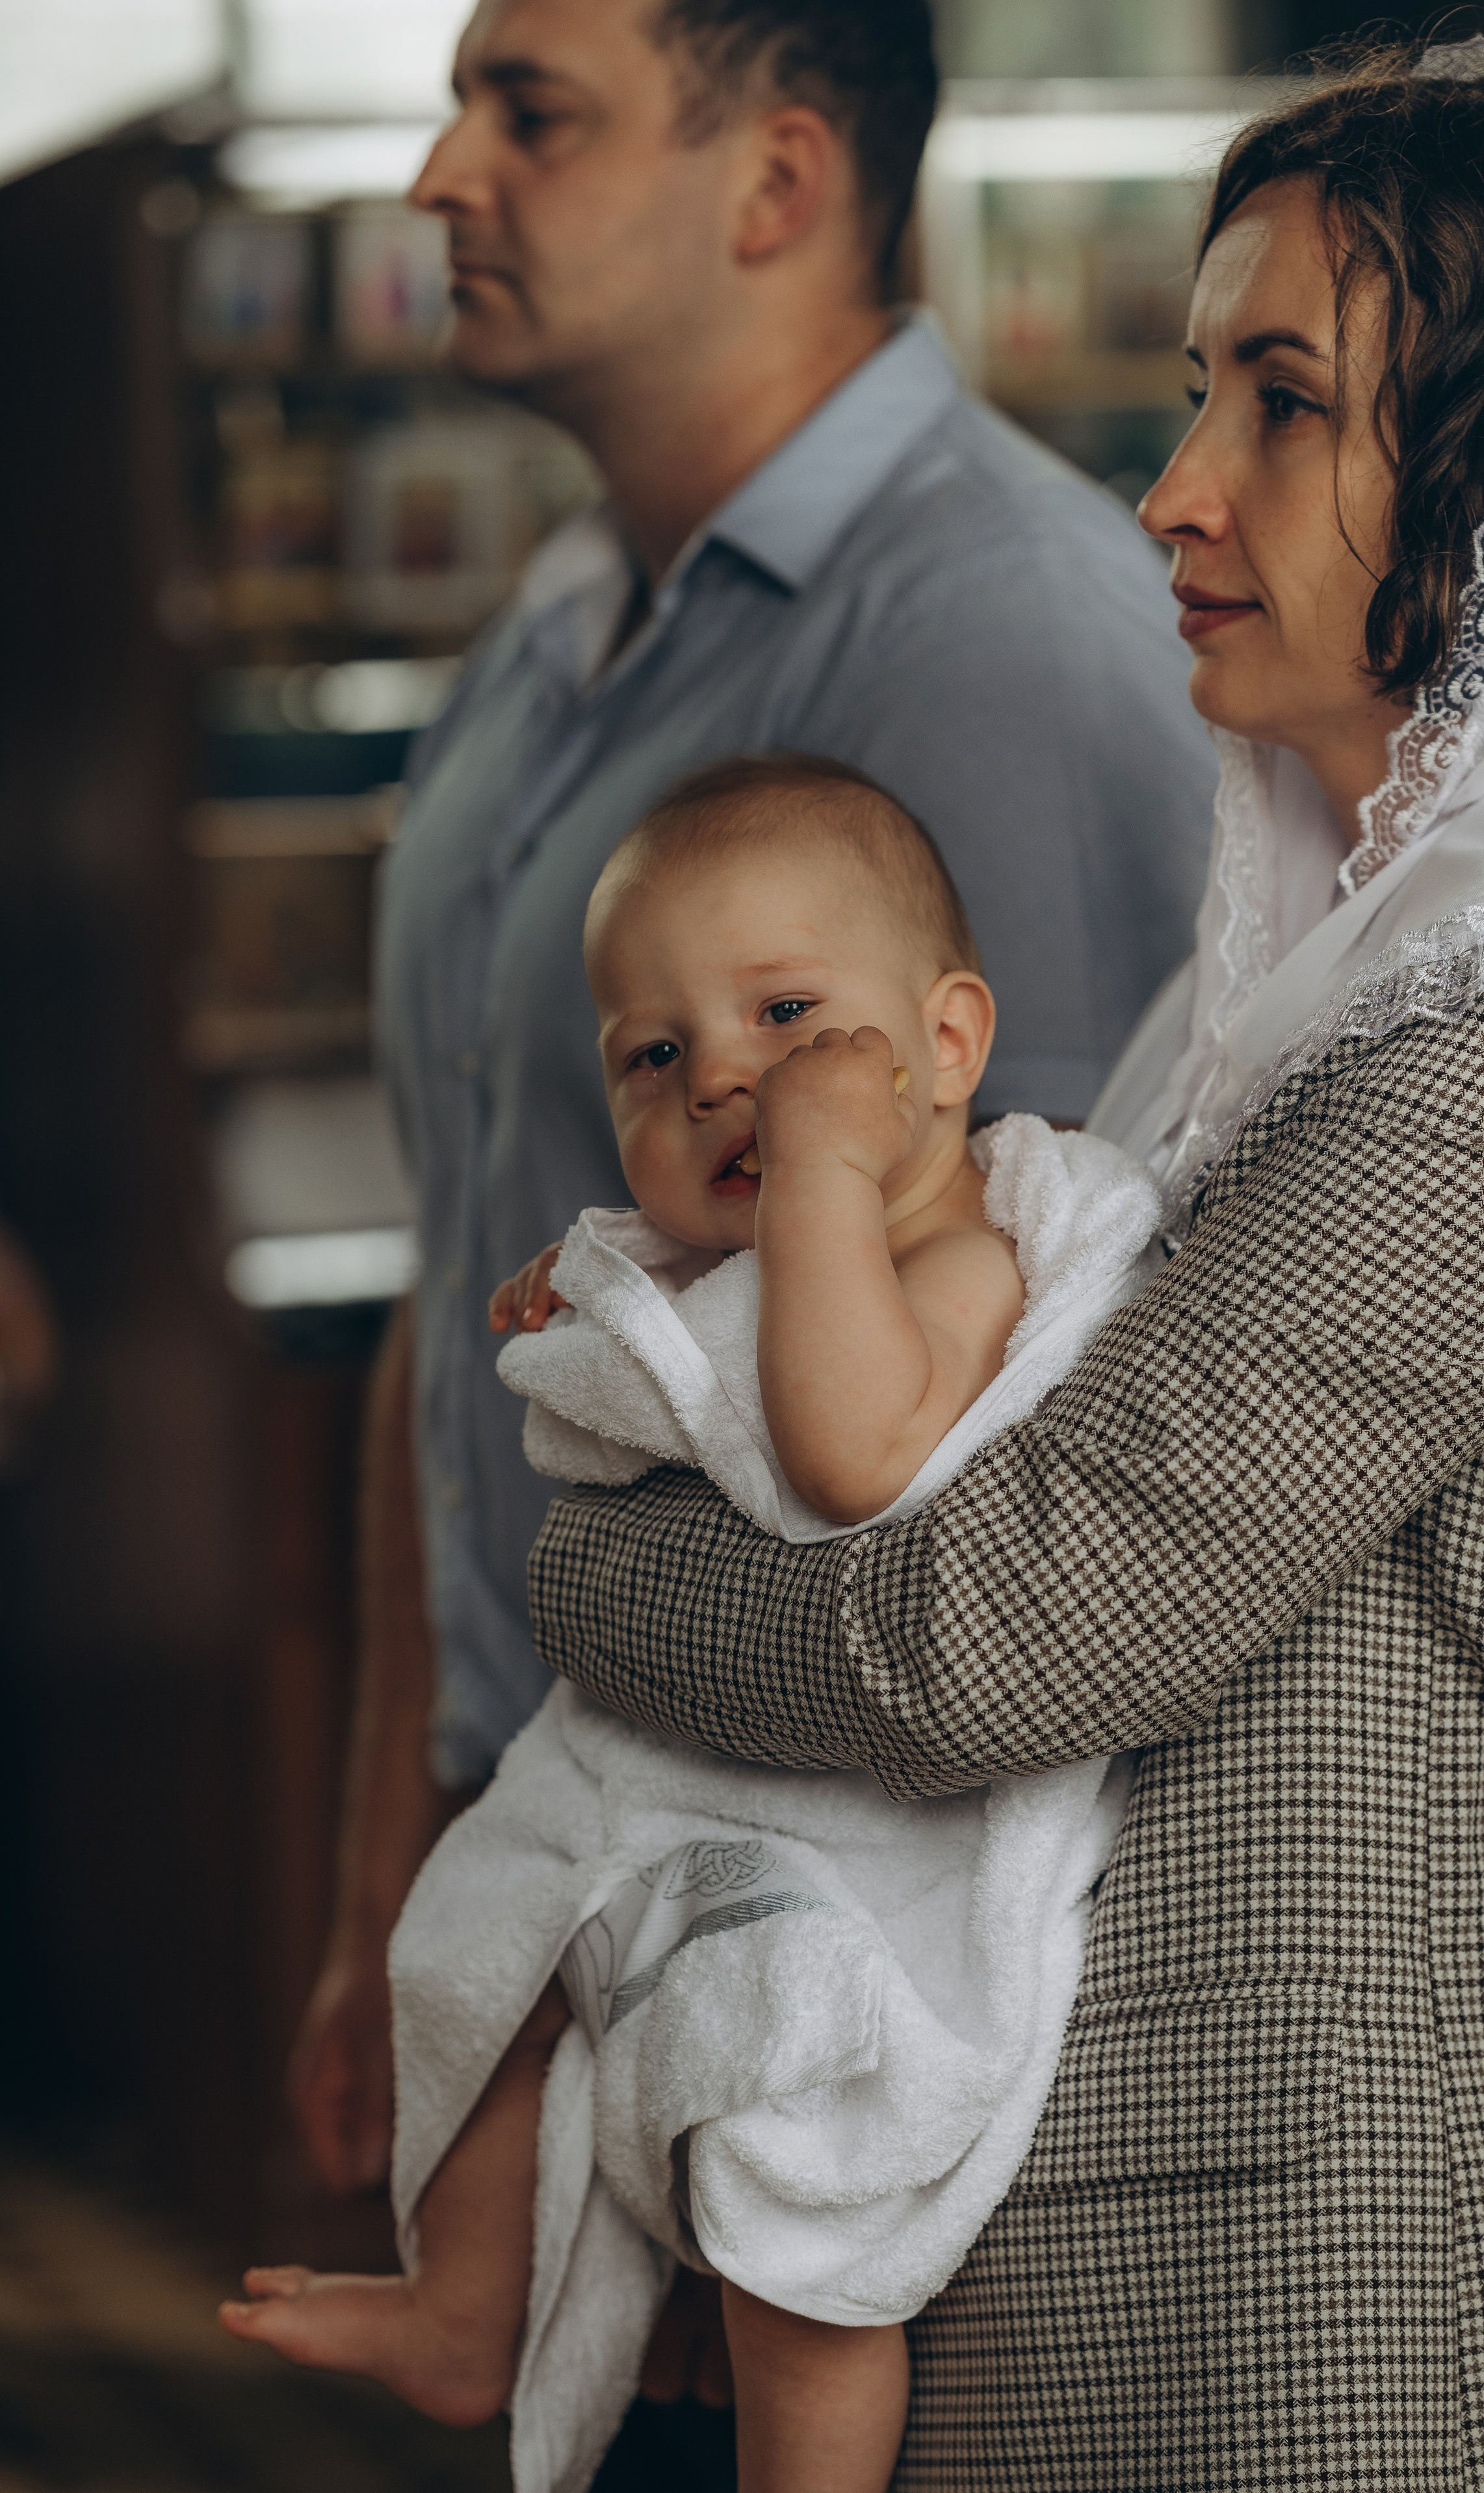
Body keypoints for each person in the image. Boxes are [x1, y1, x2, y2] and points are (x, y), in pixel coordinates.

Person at [522, 42, 1484, 2488]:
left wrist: (593, 1572)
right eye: (1191, 394)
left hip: (1376, 2297)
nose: (1176, 493)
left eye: (1286, 402)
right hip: (1187, 2243)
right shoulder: (1299, 984)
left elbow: (1001, 1622)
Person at [291, 0, 1216, 2305]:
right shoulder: (554, 631)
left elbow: (1036, 1457)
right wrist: (389, 1876)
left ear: (777, 181)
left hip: (800, 1977)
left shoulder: (998, 631)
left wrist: (784, 2119)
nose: (438, 177)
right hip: (563, 1880)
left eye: (531, 112)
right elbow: (464, 1273)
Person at [223, 755, 1158, 2493]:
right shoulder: (740, 1258)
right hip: (671, 1794)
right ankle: (463, 2314)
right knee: (494, 1951)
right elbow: (657, 1400)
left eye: (791, 1016)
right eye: (655, 1058)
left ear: (946, 1049)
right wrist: (611, 1313)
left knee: (807, 2254)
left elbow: (851, 1447)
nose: (727, 1075)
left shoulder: (971, 1265)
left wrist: (807, 1186)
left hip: (866, 1877)